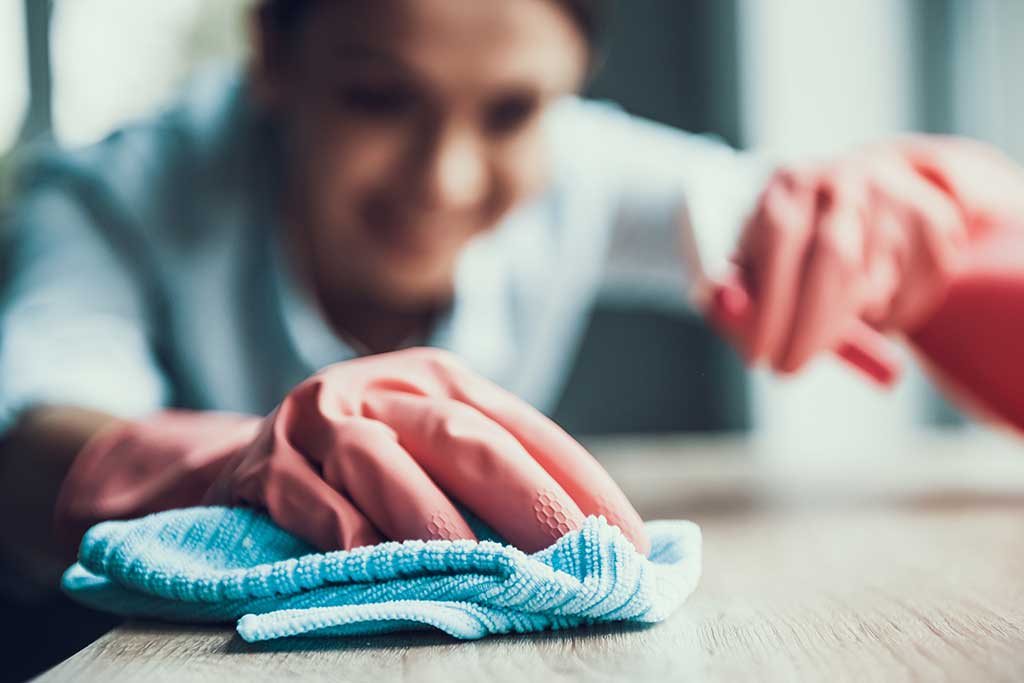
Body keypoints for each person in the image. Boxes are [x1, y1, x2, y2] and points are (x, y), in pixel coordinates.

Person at [1, 0, 1022, 584]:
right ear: (273, 53)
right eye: (375, 97)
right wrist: (239, 461)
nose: (445, 176)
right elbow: (24, 444)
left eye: (512, 110)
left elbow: (817, 222)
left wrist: (915, 218)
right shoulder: (113, 197)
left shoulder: (575, 166)